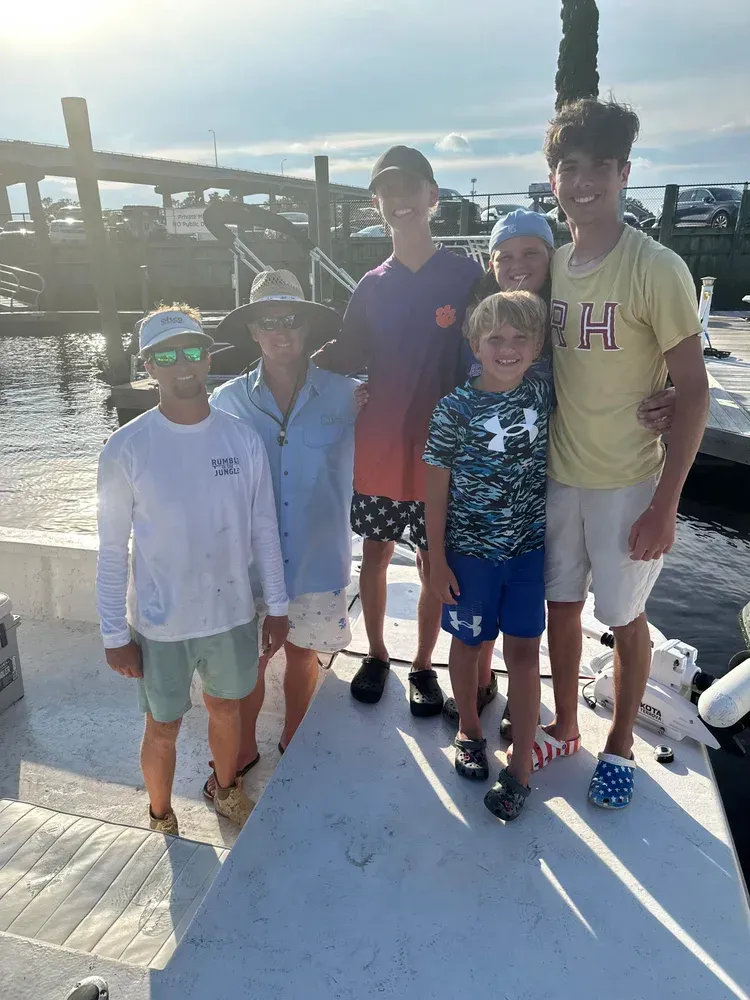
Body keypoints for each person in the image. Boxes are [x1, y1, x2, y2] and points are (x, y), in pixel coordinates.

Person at [441, 208, 675, 731]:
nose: (518, 265)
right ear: (491, 262)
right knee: (501, 599)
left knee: (551, 600)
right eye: (505, 256)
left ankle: (570, 721)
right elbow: (458, 405)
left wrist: (675, 392)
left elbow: (638, 347)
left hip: (577, 472)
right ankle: (482, 687)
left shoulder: (569, 305)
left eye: (532, 254)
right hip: (507, 491)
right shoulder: (482, 318)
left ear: (553, 258)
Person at [537, 98, 708, 808]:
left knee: (626, 620)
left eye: (599, 167)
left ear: (624, 173)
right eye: (568, 167)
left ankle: (620, 744)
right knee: (560, 608)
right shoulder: (550, 264)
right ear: (552, 179)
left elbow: (694, 391)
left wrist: (666, 506)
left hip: (629, 484)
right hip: (558, 475)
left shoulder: (657, 267)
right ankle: (569, 723)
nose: (583, 182)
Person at [96, 304, 289, 834]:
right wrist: (115, 634)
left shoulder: (241, 439)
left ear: (208, 359)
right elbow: (112, 550)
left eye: (194, 351)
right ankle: (160, 816)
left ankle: (227, 792)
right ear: (149, 367)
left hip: (230, 615)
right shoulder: (125, 447)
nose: (184, 365)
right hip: (160, 625)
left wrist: (278, 606)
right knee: (163, 726)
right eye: (167, 355)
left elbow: (264, 530)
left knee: (227, 710)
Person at [314, 145, 483, 714]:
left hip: (442, 451)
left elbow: (496, 349)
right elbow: (348, 350)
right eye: (388, 192)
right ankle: (379, 653)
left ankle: (422, 665)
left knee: (436, 561)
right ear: (376, 205)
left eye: (411, 189)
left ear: (432, 197)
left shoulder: (465, 276)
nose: (400, 201)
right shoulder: (371, 284)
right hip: (382, 445)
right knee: (377, 554)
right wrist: (288, 360)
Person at [203, 270, 358, 792]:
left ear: (308, 326)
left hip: (319, 555)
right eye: (268, 322)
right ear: (252, 331)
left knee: (302, 652)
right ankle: (243, 746)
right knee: (250, 660)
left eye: (291, 319)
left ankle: (294, 734)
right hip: (246, 563)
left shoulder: (349, 396)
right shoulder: (223, 401)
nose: (281, 332)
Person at [424, 291, 553, 821]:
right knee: (469, 643)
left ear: (538, 346)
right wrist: (436, 560)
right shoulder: (454, 408)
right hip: (471, 554)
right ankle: (469, 728)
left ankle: (521, 762)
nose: (508, 348)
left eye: (521, 337)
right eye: (495, 338)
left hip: (527, 553)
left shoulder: (543, 390)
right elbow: (435, 489)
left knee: (525, 655)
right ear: (474, 344)